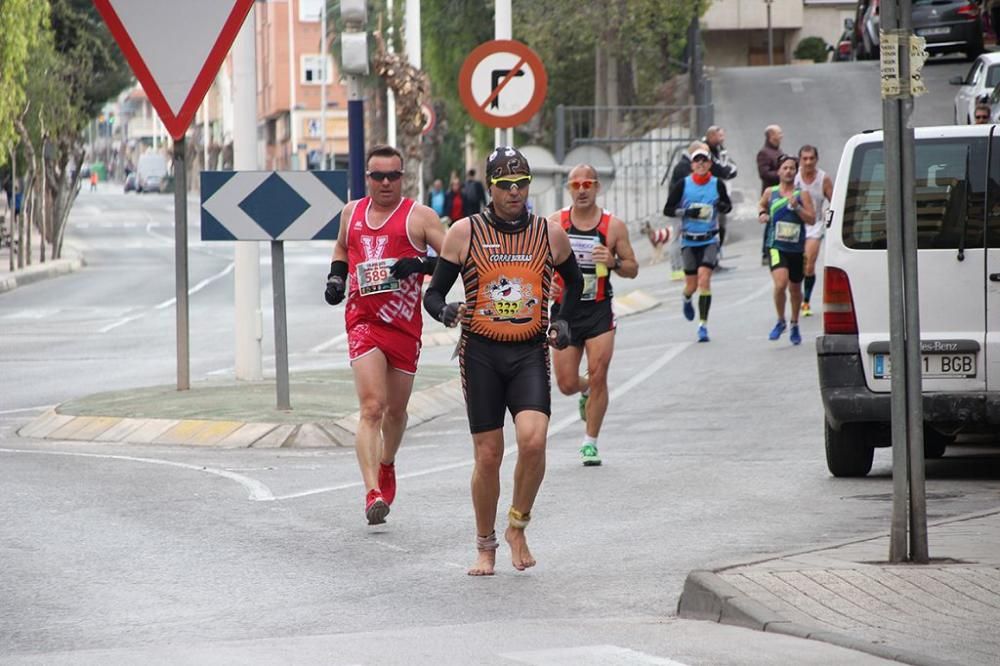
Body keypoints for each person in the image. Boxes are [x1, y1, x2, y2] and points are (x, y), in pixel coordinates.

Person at [423, 146, 583, 576]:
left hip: (529, 350)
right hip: (481, 354)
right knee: (489, 455)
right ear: (491, 188)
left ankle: (518, 525)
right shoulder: (463, 232)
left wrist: (564, 322)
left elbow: (575, 281)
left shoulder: (550, 234)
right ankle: (485, 544)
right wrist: (445, 311)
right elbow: (433, 294)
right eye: (505, 186)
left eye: (522, 184)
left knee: (533, 440)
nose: (515, 193)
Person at [324, 144, 445, 526]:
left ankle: (387, 462)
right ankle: (372, 491)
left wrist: (420, 264)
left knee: (395, 411)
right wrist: (336, 277)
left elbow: (454, 257)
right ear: (367, 179)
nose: (387, 182)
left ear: (403, 177)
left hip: (404, 327)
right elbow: (344, 245)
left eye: (394, 175)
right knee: (372, 407)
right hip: (363, 322)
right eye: (379, 176)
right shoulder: (352, 213)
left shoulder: (419, 217)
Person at [550, 164, 638, 467]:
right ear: (569, 189)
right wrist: (544, 282)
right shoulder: (555, 224)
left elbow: (633, 268)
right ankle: (583, 388)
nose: (582, 190)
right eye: (576, 185)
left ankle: (590, 442)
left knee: (600, 372)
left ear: (597, 187)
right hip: (564, 311)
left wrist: (613, 262)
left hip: (598, 310)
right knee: (564, 383)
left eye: (587, 184)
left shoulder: (612, 227)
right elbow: (536, 264)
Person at [663, 145, 732, 343]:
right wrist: (686, 213)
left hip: (710, 239)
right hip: (689, 240)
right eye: (697, 161)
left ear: (709, 164)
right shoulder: (683, 185)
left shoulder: (717, 183)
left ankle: (703, 325)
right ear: (692, 165)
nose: (701, 164)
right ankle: (686, 298)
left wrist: (721, 206)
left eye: (704, 161)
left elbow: (727, 206)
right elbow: (667, 209)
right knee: (691, 285)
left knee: (704, 280)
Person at [758, 154, 815, 346]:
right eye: (785, 168)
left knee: (795, 288)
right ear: (779, 171)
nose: (788, 171)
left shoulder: (802, 194)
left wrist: (797, 208)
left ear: (796, 171)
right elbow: (761, 205)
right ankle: (780, 320)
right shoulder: (770, 192)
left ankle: (794, 323)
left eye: (792, 168)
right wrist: (762, 214)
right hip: (776, 246)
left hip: (796, 248)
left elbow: (812, 219)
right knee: (781, 284)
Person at [794, 145, 833, 317]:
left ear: (816, 159)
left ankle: (806, 301)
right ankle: (797, 294)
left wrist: (830, 216)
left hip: (815, 225)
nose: (808, 162)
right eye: (805, 159)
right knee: (796, 266)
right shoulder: (794, 179)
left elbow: (834, 200)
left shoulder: (823, 178)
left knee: (808, 264)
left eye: (811, 158)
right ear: (800, 160)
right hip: (795, 225)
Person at [702, 126, 738, 250]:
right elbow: (718, 169)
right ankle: (710, 256)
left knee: (722, 224)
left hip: (722, 191)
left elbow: (731, 166)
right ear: (712, 136)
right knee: (711, 225)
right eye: (720, 136)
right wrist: (725, 172)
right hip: (709, 192)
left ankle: (716, 253)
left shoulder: (721, 149)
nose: (723, 139)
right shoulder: (705, 150)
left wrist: (729, 172)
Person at [757, 125, 784, 264]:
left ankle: (777, 249)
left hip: (781, 193)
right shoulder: (764, 153)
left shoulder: (777, 151)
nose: (781, 136)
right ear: (770, 136)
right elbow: (764, 173)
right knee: (770, 222)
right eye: (778, 133)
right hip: (770, 194)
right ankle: (766, 253)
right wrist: (781, 174)